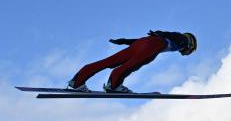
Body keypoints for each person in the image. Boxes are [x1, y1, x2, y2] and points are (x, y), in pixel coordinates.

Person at [67, 30, 197, 93]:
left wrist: (124, 41)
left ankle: (77, 81)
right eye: (190, 51)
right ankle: (114, 86)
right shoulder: (182, 40)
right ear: (191, 44)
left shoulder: (172, 40)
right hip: (154, 44)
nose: (185, 53)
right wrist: (162, 34)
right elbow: (172, 35)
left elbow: (142, 41)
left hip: (142, 43)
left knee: (110, 61)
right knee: (132, 65)